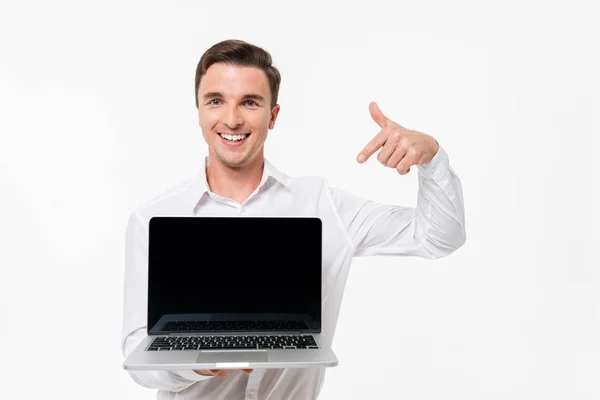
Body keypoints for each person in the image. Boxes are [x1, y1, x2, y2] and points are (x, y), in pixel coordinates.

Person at [121, 39, 466, 400]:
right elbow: (136, 351)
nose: (232, 118)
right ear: (199, 110)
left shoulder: (321, 204)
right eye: (216, 101)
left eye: (250, 102)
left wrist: (432, 158)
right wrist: (197, 361)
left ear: (273, 115)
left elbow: (439, 238)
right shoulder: (153, 217)